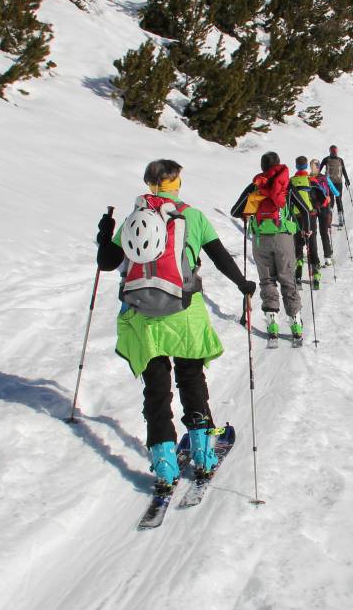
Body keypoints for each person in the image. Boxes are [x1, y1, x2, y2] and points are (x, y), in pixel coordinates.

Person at [95, 160, 256, 492]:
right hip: (184, 312)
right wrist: (243, 284)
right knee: (191, 380)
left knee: (156, 391)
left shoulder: (134, 219)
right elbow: (219, 256)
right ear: (177, 183)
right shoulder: (192, 216)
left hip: (142, 317)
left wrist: (105, 235)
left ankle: (165, 466)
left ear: (148, 182)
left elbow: (107, 263)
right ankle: (203, 454)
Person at [229, 151, 312, 342]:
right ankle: (296, 324)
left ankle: (272, 322)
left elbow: (235, 211)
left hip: (260, 240)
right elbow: (305, 211)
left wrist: (248, 213)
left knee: (267, 281)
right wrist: (306, 231)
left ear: (262, 167)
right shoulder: (287, 185)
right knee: (288, 279)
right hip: (284, 238)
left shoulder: (256, 185)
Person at [290, 156, 326, 290]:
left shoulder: (291, 181)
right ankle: (315, 277)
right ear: (306, 166)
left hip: (296, 217)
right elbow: (323, 198)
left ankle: (298, 274)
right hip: (310, 216)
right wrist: (316, 207)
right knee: (312, 245)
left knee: (298, 245)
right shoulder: (311, 180)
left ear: (296, 166)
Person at [309, 159, 338, 266]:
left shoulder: (308, 179)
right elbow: (336, 192)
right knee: (324, 232)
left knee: (313, 234)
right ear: (319, 167)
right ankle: (328, 258)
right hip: (325, 207)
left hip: (312, 208)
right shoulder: (325, 178)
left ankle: (315, 260)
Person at [323, 144, 351, 224]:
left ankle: (330, 218)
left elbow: (319, 169)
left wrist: (319, 178)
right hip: (337, 183)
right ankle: (340, 219)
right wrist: (347, 180)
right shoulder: (339, 160)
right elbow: (344, 170)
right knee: (337, 200)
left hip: (331, 182)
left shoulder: (327, 159)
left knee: (332, 201)